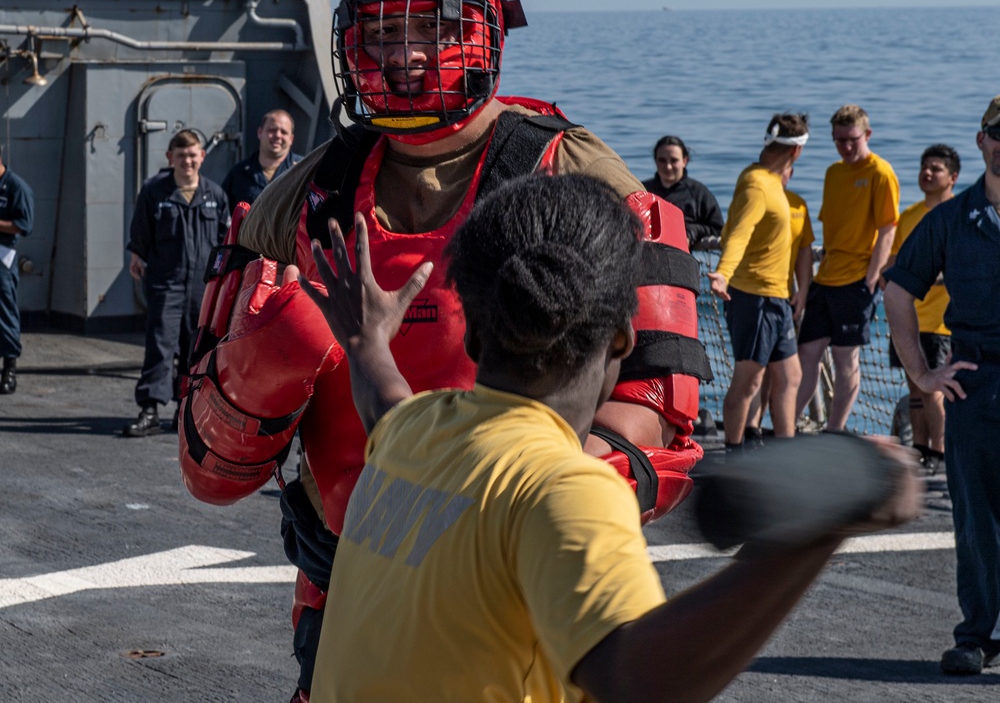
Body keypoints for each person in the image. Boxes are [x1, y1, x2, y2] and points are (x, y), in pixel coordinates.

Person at [176, 0, 712, 700]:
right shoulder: (313, 192)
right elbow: (210, 460)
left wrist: (504, 517)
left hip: (511, 578)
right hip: (346, 581)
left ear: (484, 30)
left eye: (428, 27)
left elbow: (660, 405)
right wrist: (261, 370)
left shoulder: (568, 169)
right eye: (383, 32)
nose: (403, 54)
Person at [302, 172, 923, 702]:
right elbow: (635, 679)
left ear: (473, 339)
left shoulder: (415, 430)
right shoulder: (560, 488)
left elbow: (382, 397)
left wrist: (367, 342)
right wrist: (821, 529)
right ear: (624, 340)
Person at [884, 96, 1000, 676]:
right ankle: (979, 635)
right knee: (977, 516)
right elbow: (898, 289)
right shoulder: (951, 221)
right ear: (981, 140)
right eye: (999, 133)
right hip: (977, 383)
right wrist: (921, 374)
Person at [707, 113, 809, 451]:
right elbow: (738, 233)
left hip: (777, 299)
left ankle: (785, 454)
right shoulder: (755, 183)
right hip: (754, 298)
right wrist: (723, 271)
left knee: (790, 377)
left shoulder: (773, 183)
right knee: (747, 384)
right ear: (797, 152)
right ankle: (733, 454)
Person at [795, 104, 900, 432]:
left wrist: (871, 278)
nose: (846, 146)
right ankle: (787, 423)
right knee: (806, 352)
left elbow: (888, 228)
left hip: (857, 280)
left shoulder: (880, 172)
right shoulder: (833, 173)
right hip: (825, 277)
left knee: (845, 360)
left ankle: (835, 430)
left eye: (852, 139)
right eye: (839, 140)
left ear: (867, 135)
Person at [125, 129, 229, 436]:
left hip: (202, 287)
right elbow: (140, 232)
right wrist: (136, 255)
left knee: (195, 350)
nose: (187, 160)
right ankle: (150, 409)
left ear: (202, 157)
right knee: (159, 345)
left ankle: (186, 411)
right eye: (181, 155)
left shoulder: (215, 195)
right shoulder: (155, 192)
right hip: (166, 284)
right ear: (170, 158)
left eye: (192, 154)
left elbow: (226, 241)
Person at [885, 145, 960, 467]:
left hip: (941, 322)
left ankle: (940, 452)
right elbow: (894, 260)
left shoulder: (960, 214)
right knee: (915, 390)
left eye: (936, 168)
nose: (927, 173)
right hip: (909, 318)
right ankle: (918, 448)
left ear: (953, 177)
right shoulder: (910, 215)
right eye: (923, 166)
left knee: (934, 391)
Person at [746, 164, 814, 443]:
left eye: (784, 170)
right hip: (756, 295)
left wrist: (803, 290)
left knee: (784, 372)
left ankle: (781, 434)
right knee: (756, 369)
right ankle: (751, 429)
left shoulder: (798, 205)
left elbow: (804, 250)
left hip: (786, 297)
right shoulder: (756, 197)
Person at [642, 135, 724, 248]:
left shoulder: (698, 193)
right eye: (662, 160)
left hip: (683, 259)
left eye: (674, 160)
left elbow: (718, 229)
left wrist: (690, 232)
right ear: (655, 161)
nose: (668, 166)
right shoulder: (643, 191)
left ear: (685, 161)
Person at [0, 145, 34, 395]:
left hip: (3, 258)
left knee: (5, 310)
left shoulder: (16, 187)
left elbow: (24, 225)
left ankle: (9, 368)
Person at [221, 109, 302, 208]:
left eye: (284, 132)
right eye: (272, 130)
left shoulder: (303, 170)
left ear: (291, 139)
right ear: (260, 132)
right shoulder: (239, 174)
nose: (278, 135)